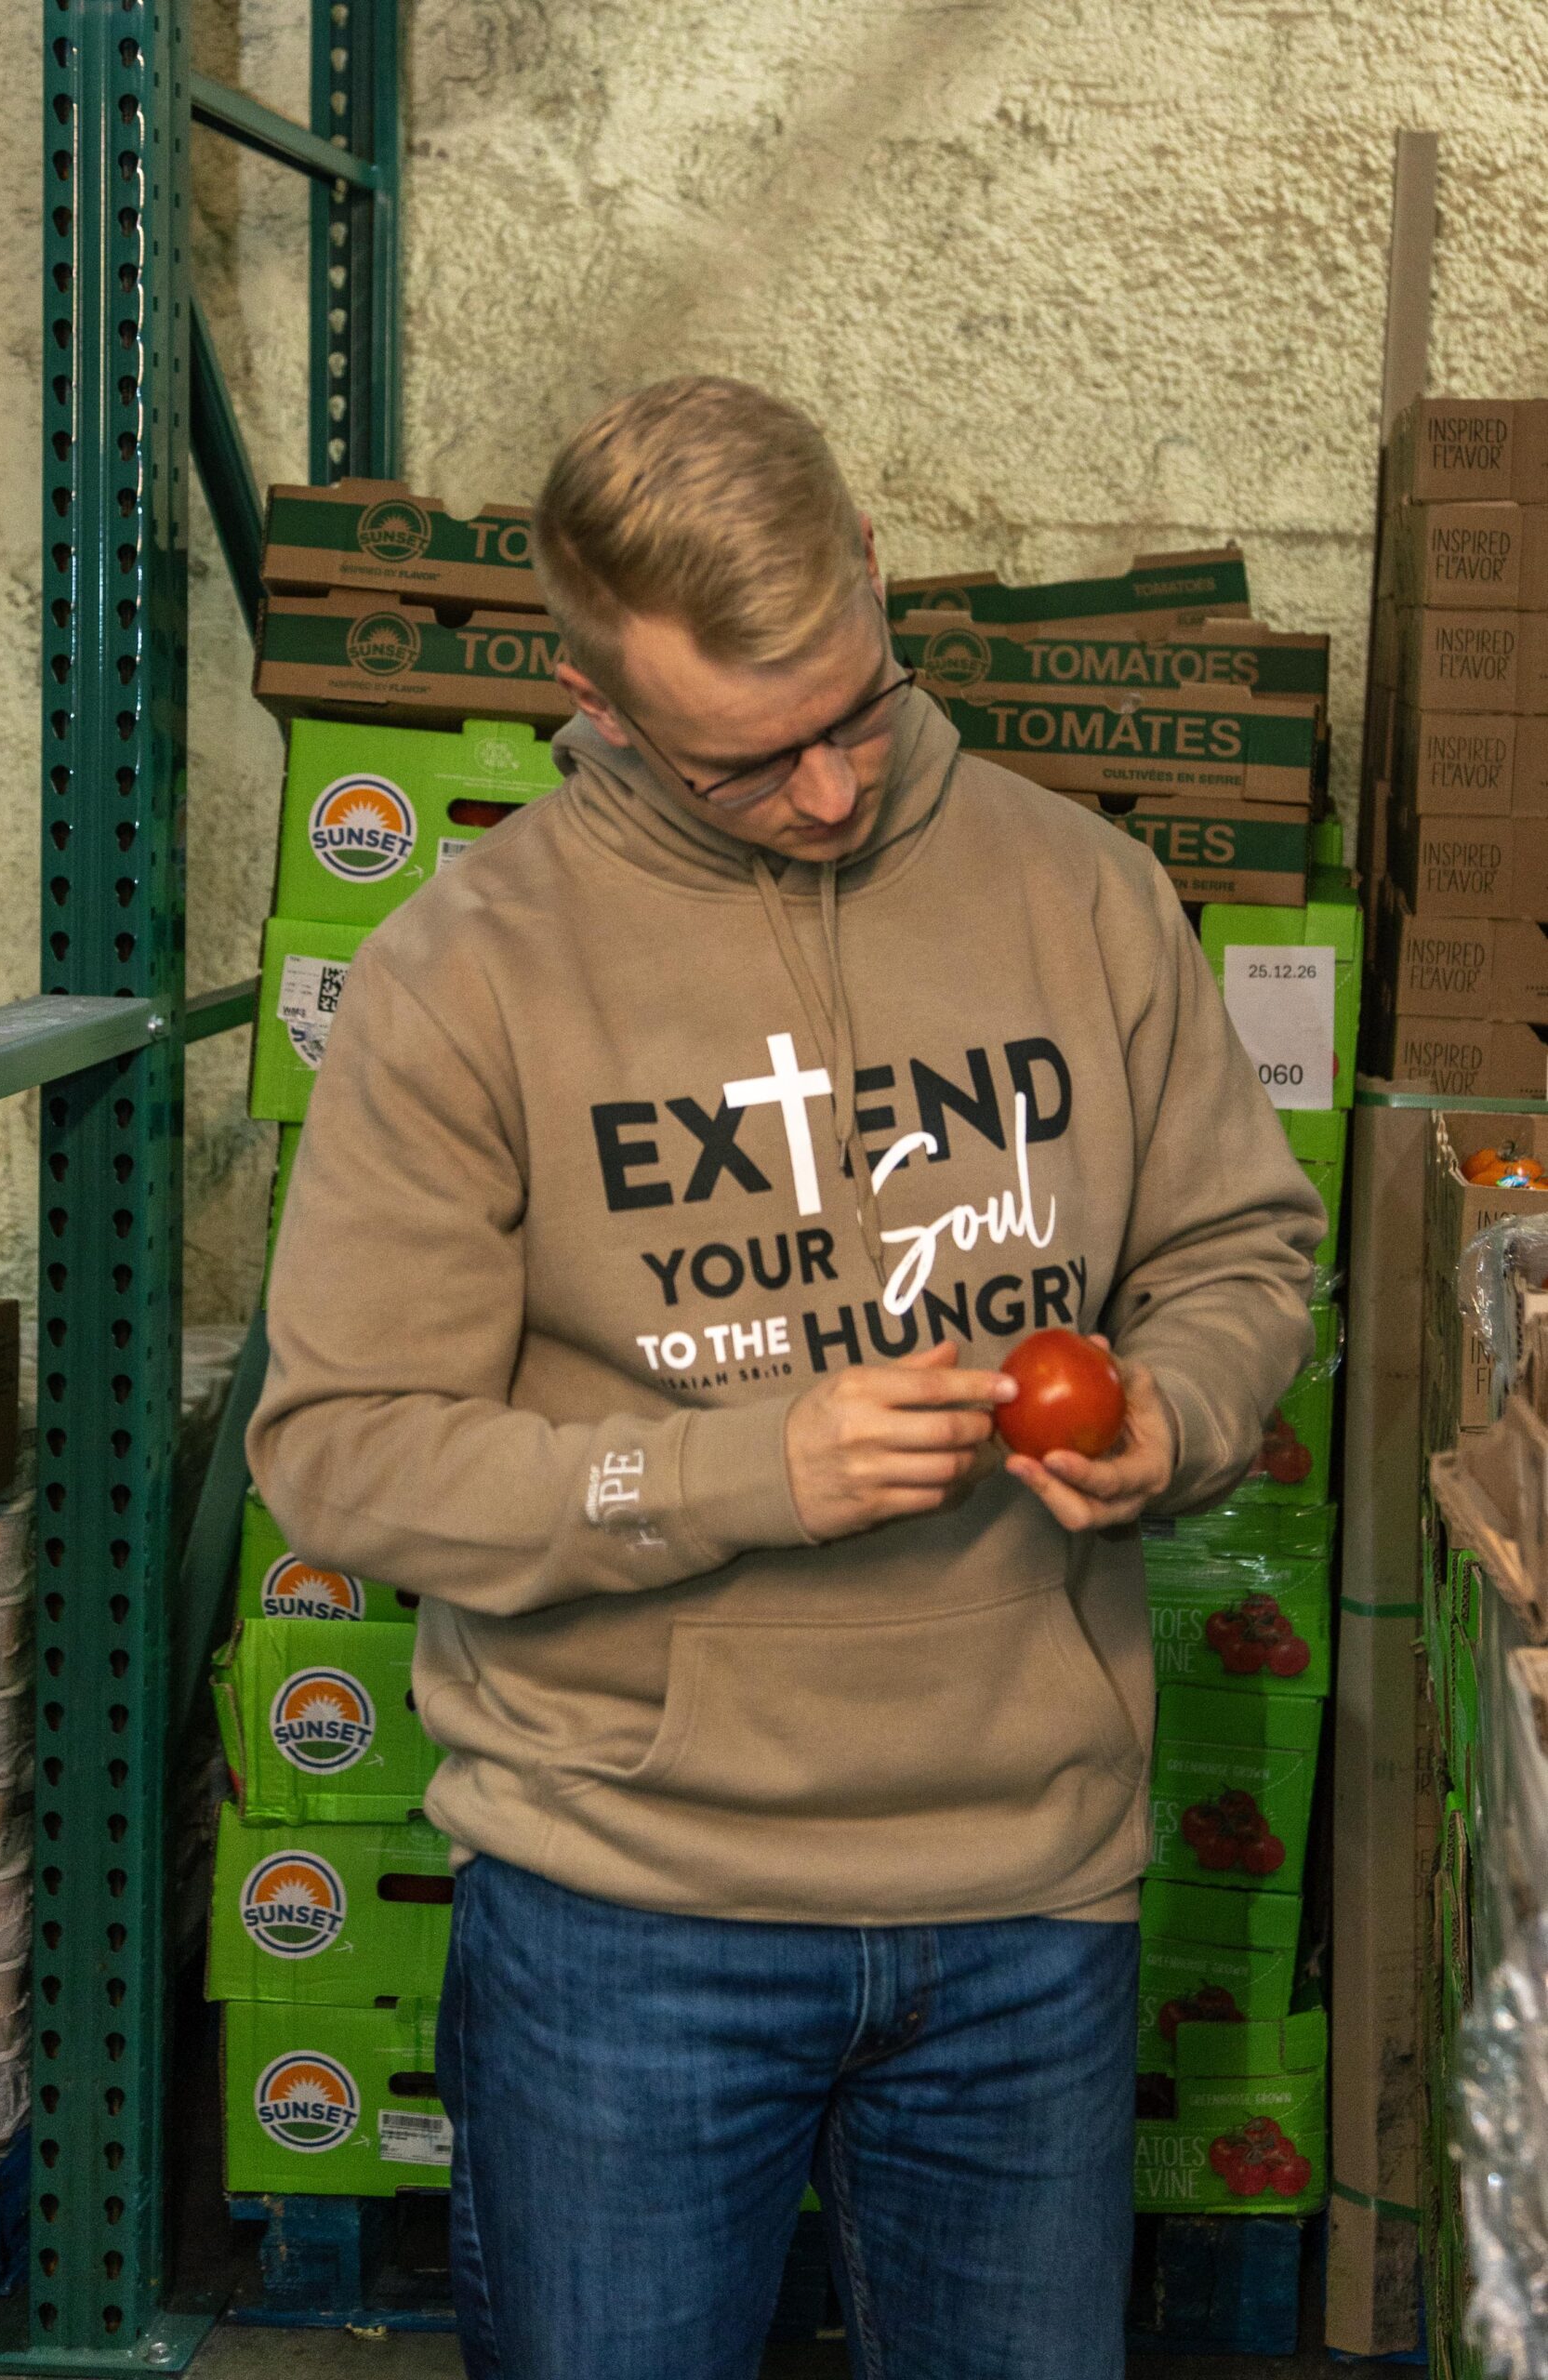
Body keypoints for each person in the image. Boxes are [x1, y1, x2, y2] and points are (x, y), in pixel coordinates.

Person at [247, 376, 1322, 2380]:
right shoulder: (466, 970)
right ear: (597, 693)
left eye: (854, 706)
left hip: (1032, 1897)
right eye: (747, 763)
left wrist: (1180, 1403)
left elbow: (1242, 1245)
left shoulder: (1075, 887)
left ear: (871, 577)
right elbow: (343, 1455)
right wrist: (741, 1470)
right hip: (626, 1915)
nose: (829, 793)